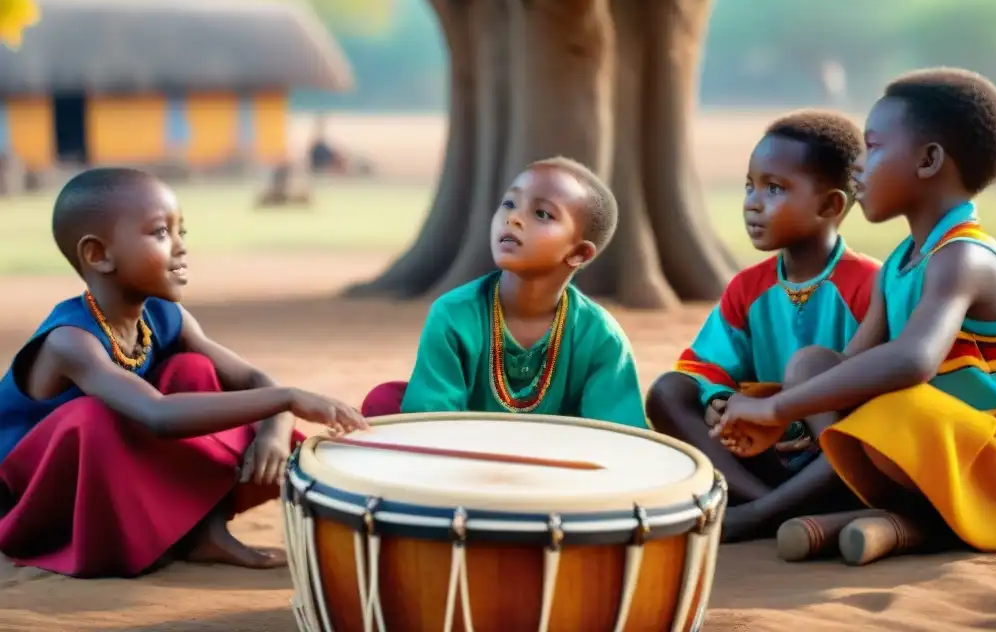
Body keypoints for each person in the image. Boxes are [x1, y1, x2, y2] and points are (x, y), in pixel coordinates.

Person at [715, 68, 996, 565]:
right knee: (811, 366)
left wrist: (778, 410)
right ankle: (898, 517)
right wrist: (787, 404)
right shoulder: (901, 264)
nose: (857, 166)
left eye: (873, 148)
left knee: (894, 406)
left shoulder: (963, 257)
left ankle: (772, 513)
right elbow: (848, 369)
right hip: (937, 453)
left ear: (928, 161)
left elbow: (911, 362)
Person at [0, 168, 367, 578]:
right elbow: (158, 415)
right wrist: (288, 400)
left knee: (192, 369)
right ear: (98, 255)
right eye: (160, 233)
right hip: (31, 502)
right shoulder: (71, 341)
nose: (180, 248)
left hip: (117, 477)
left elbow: (253, 380)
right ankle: (119, 545)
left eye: (181, 232)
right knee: (93, 418)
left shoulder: (164, 316)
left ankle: (202, 533)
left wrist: (275, 430)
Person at [645, 111, 879, 542]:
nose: (753, 202)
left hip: (837, 456)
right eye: (750, 186)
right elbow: (703, 366)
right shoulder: (747, 287)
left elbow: (882, 383)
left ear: (830, 206)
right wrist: (719, 398)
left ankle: (759, 514)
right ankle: (764, 504)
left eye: (774, 189)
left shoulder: (868, 284)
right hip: (768, 451)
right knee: (668, 391)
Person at [361, 157, 647, 428]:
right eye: (509, 204)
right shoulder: (454, 314)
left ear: (579, 253)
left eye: (542, 213)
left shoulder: (600, 336)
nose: (514, 218)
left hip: (558, 466)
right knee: (384, 402)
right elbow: (431, 421)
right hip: (463, 459)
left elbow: (618, 437)